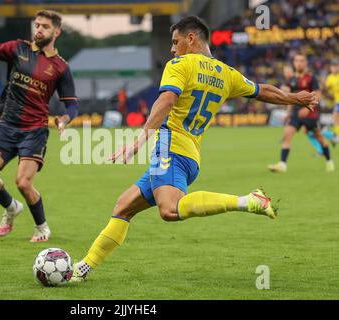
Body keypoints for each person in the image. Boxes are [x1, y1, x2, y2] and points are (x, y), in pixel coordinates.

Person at [70, 16, 318, 282]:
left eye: (175, 42)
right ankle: (82, 269)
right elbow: (262, 90)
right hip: (190, 156)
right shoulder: (226, 73)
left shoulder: (180, 65)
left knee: (169, 210)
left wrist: (140, 139)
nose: (172, 49)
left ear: (191, 38)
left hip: (170, 148)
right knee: (123, 207)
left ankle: (248, 201)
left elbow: (167, 99)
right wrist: (293, 98)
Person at [0, 10, 78, 242]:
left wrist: (64, 119)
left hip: (34, 130)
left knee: (24, 183)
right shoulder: (18, 48)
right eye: (36, 25)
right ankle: (11, 207)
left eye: (44, 26)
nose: (38, 30)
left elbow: (72, 106)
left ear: (56, 31)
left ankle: (42, 227)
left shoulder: (61, 68)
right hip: (7, 126)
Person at [268, 53, 334, 172]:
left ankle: (329, 161)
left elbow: (318, 95)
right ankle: (282, 164)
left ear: (306, 63)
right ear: (294, 63)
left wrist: (306, 108)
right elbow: (289, 97)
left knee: (319, 137)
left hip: (310, 113)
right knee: (287, 136)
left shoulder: (311, 78)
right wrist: (288, 112)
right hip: (295, 113)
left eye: (301, 60)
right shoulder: (292, 79)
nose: (299, 63)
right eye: (297, 60)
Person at [325, 59, 339, 143]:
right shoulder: (329, 78)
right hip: (336, 101)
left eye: (336, 66)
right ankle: (336, 135)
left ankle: (336, 136)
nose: (335, 68)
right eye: (333, 66)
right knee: (336, 117)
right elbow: (327, 90)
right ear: (330, 68)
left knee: (335, 115)